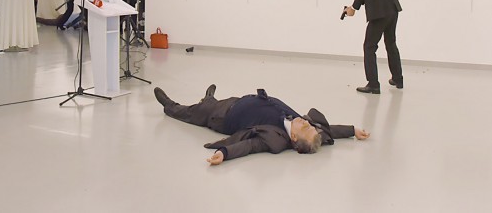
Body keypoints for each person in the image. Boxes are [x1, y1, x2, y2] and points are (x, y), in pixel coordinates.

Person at [154, 85, 370, 165]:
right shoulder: (299, 123)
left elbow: (249, 146)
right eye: (309, 124)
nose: (305, 121)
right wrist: (352, 130)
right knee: (212, 102)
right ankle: (209, 98)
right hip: (238, 101)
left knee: (190, 112)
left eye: (305, 127)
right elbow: (327, 130)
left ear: (294, 139)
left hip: (220, 116)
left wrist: (224, 153)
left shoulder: (275, 140)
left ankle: (169, 105)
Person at [344, 0, 403, 94]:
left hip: (379, 13)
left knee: (369, 47)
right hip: (392, 9)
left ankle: (373, 84)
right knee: (391, 43)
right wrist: (354, 7)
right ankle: (398, 79)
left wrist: (353, 8)